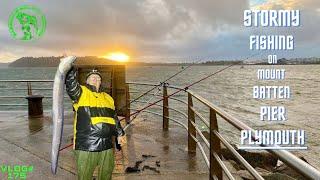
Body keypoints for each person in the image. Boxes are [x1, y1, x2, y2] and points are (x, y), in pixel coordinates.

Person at [65, 63, 126, 180]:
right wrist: (69, 68)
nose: (95, 79)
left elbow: (114, 118)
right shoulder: (80, 93)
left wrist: (120, 134)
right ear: (86, 81)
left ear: (101, 82)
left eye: (98, 78)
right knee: (84, 176)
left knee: (106, 175)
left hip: (107, 146)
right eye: (92, 77)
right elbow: (71, 85)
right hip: (86, 146)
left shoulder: (108, 98)